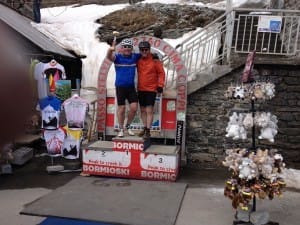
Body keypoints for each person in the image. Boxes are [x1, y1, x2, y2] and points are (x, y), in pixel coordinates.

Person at [106, 38, 141, 137]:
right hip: (120, 87)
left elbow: (145, 53)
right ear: (121, 48)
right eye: (125, 47)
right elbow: (108, 57)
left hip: (131, 87)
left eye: (129, 47)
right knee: (122, 108)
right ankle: (121, 129)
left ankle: (128, 126)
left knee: (134, 108)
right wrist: (110, 49)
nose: (127, 49)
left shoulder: (135, 57)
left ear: (131, 48)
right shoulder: (117, 57)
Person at [137, 41, 165, 139]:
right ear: (140, 50)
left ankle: (148, 131)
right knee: (142, 110)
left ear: (149, 50)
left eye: (146, 49)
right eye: (142, 50)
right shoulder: (138, 59)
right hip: (140, 88)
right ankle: (145, 128)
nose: (144, 51)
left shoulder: (155, 60)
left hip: (151, 89)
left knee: (149, 110)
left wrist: (160, 85)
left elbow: (161, 73)